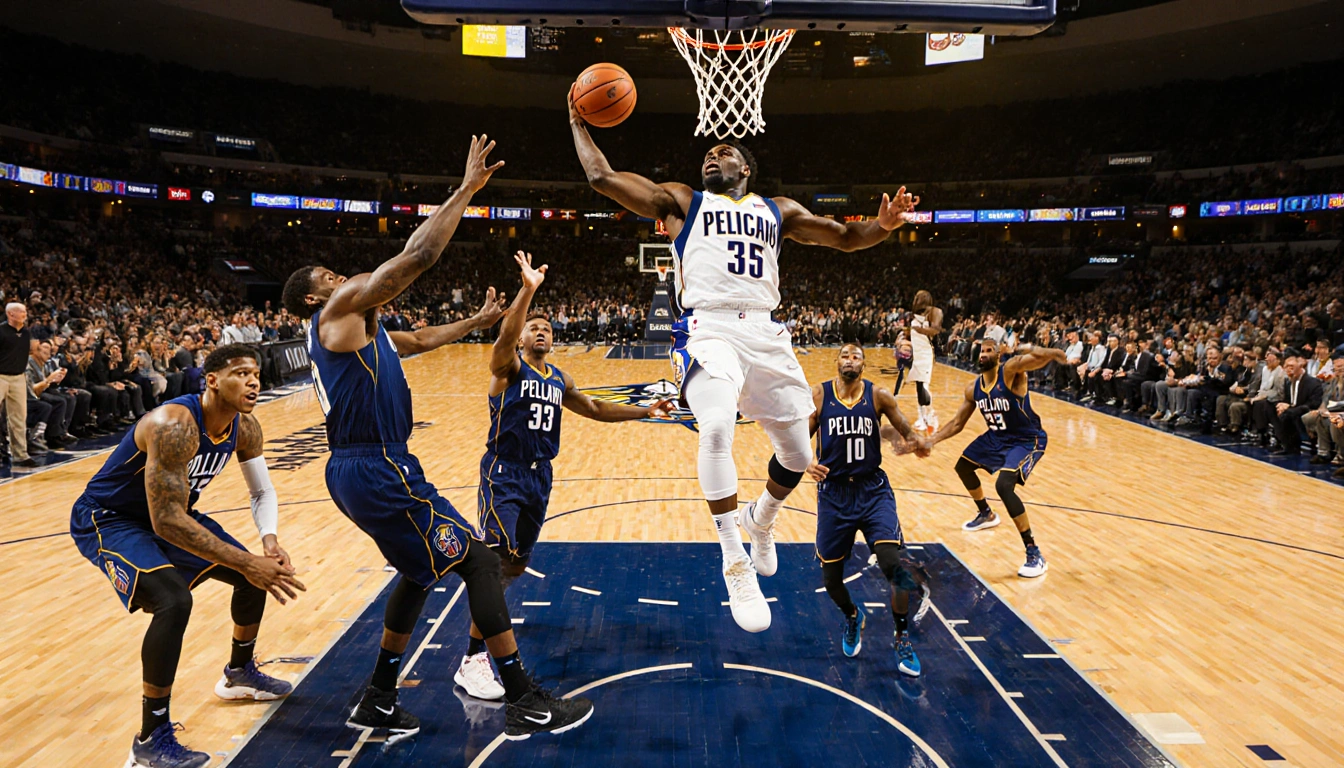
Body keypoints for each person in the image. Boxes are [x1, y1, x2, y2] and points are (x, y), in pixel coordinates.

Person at [281, 135, 594, 742]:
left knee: (418, 572)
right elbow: (419, 255)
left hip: (360, 468)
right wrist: (466, 189)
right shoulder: (337, 312)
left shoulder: (364, 331)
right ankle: (523, 699)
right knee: (482, 559)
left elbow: (421, 340)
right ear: (316, 298)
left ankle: (378, 697)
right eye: (328, 276)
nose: (340, 276)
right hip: (376, 465)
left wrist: (476, 322)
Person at [570, 92, 919, 632]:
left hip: (766, 332)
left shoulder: (777, 210)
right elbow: (602, 177)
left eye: (725, 151)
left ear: (746, 168)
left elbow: (848, 237)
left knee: (799, 455)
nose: (713, 154)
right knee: (715, 428)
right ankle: (734, 559)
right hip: (708, 328)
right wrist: (577, 120)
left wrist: (885, 226)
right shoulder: (683, 201)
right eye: (708, 153)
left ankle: (761, 519)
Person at [68, 344, 304, 768]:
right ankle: (150, 740)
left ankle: (239, 674)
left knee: (253, 574)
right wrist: (246, 560)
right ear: (212, 380)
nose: (253, 381)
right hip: (111, 518)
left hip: (172, 513)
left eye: (255, 373)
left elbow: (261, 490)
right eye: (240, 373)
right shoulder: (174, 424)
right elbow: (165, 522)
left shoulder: (245, 427)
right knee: (174, 600)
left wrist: (268, 542)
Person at [456, 252, 673, 701]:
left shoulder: (559, 378)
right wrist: (527, 291)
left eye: (548, 328)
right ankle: (473, 658)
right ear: (522, 336)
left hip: (540, 477)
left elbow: (593, 407)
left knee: (516, 565)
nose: (541, 331)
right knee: (494, 563)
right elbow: (504, 338)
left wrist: (644, 411)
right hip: (504, 473)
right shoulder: (508, 368)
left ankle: (491, 615)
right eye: (534, 327)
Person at [806, 345, 929, 677]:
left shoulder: (880, 396)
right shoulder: (820, 395)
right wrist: (807, 461)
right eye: (845, 355)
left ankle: (901, 635)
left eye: (856, 356)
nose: (850, 360)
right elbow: (800, 438)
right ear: (837, 361)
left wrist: (915, 442)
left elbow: (905, 430)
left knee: (895, 566)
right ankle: (852, 615)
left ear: (864, 364)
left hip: (873, 491)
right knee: (831, 579)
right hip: (834, 495)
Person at [930, 340, 1067, 577]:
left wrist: (1051, 352)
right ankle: (986, 513)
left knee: (1004, 485)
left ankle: (1034, 552)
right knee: (963, 467)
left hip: (1025, 439)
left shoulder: (1011, 371)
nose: (983, 354)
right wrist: (931, 441)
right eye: (981, 351)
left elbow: (1039, 360)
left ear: (998, 356)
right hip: (997, 438)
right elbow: (957, 423)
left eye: (989, 350)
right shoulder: (973, 389)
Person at [1, 302, 34, 467]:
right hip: (1, 376)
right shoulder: (1, 331)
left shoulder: (26, 333)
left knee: (19, 418)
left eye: (25, 312)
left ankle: (20, 455)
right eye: (21, 312)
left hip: (19, 377)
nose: (25, 315)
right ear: (10, 314)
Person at [907, 291, 943, 435]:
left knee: (923, 387)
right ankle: (921, 417)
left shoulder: (934, 312)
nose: (916, 298)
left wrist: (920, 329)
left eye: (919, 296)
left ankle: (931, 415)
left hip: (926, 354)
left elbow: (935, 330)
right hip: (917, 354)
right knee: (918, 387)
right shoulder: (915, 314)